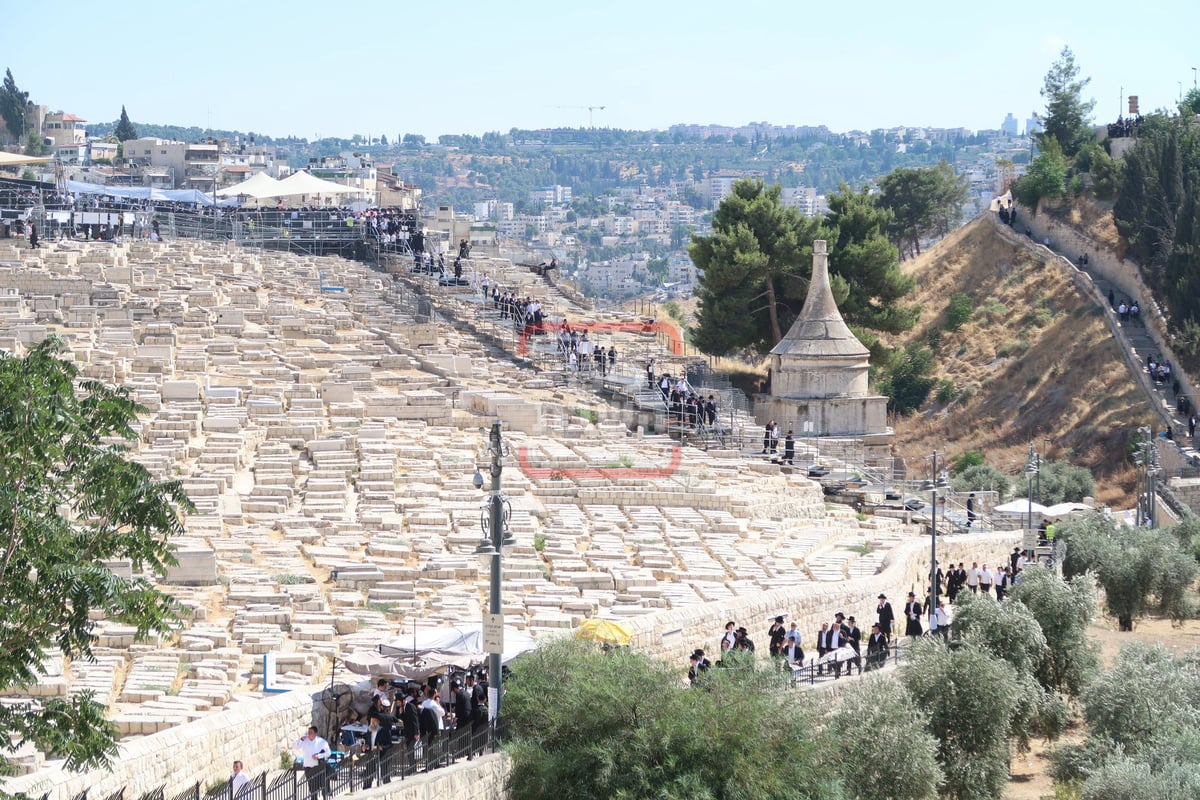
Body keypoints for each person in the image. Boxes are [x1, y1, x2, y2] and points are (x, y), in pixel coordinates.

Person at [294, 726, 331, 800]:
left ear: (315, 734)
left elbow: (328, 752)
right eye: (308, 732)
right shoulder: (305, 741)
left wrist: (319, 756)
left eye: (311, 732)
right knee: (312, 787)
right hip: (308, 767)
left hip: (318, 767)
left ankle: (325, 797)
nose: (309, 734)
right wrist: (301, 739)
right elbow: (295, 746)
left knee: (322, 784)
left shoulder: (321, 742)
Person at [361, 715, 393, 788]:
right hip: (372, 755)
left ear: (378, 722)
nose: (372, 723)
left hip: (383, 755)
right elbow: (368, 743)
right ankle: (366, 789)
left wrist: (379, 747)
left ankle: (387, 788)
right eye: (371, 722)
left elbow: (389, 744)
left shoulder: (384, 731)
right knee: (368, 773)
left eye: (373, 722)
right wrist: (365, 746)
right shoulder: (369, 731)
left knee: (385, 773)